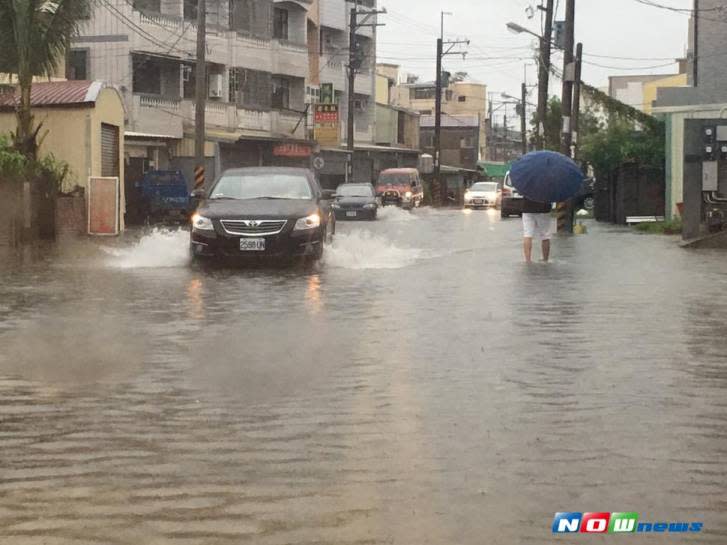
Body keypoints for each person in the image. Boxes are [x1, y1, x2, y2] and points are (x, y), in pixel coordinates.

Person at [521, 197, 554, 263]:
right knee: (545, 235)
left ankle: (528, 260)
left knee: (527, 235)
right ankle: (545, 260)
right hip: (543, 208)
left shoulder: (527, 186)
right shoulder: (547, 186)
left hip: (527, 208)